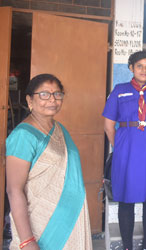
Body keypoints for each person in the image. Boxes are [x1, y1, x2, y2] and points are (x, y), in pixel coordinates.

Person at [6, 74, 92, 250]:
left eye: (57, 94)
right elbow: (14, 190)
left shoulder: (59, 129)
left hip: (70, 220)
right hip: (41, 227)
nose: (52, 99)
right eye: (44, 94)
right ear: (30, 100)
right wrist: (27, 240)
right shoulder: (23, 136)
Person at [102, 51, 146, 250]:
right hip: (127, 148)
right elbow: (109, 126)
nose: (144, 70)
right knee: (126, 198)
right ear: (131, 68)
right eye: (139, 66)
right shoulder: (119, 91)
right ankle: (127, 246)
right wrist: (122, 147)